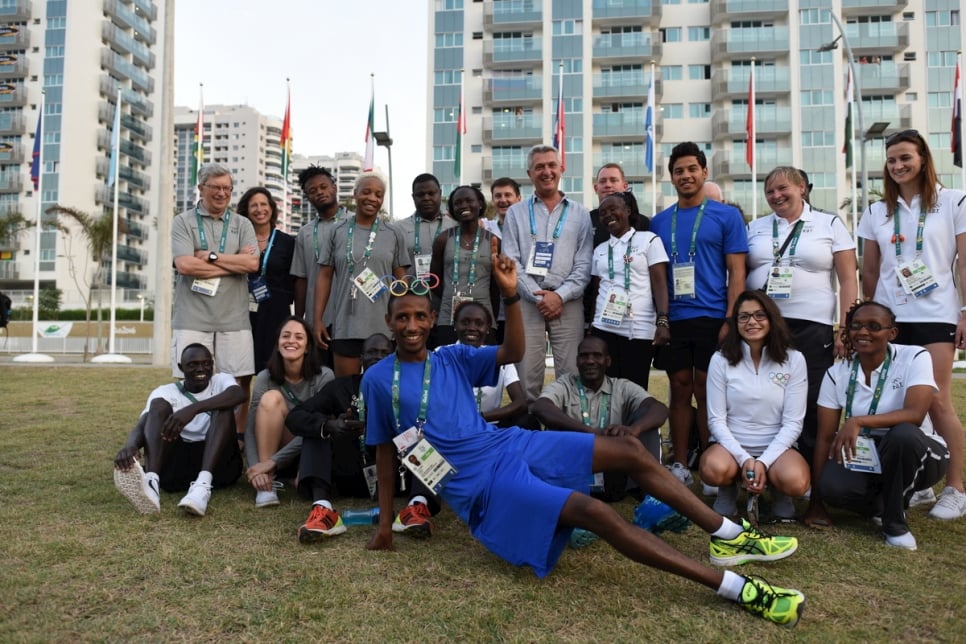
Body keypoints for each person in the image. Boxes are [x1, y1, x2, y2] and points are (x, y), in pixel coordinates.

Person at [363, 236, 805, 627]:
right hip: (482, 483)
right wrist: (386, 525)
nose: (413, 326)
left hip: (508, 444)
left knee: (628, 451)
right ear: (388, 319)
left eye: (420, 316)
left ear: (429, 317)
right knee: (598, 514)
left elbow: (514, 350)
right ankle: (736, 587)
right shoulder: (378, 379)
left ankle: (727, 535)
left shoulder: (452, 357)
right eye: (402, 318)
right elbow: (387, 453)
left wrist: (512, 295)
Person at [857, 129, 966, 520]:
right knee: (901, 403)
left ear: (923, 158)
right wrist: (866, 317)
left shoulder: (953, 201)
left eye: (905, 158)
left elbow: (964, 263)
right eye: (891, 160)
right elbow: (869, 269)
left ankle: (955, 487)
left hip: (937, 313)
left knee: (935, 400)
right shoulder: (875, 211)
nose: (898, 166)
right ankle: (921, 482)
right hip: (891, 318)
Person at [803, 302, 949, 550]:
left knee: (902, 435)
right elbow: (825, 438)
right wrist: (816, 502)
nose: (863, 332)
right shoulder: (836, 373)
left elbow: (914, 414)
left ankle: (895, 525)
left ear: (892, 333)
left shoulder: (915, 356)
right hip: (868, 452)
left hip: (920, 448)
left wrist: (859, 420)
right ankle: (888, 499)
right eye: (856, 326)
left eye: (874, 326)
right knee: (832, 487)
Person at [650, 142, 748, 489]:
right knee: (679, 388)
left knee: (708, 389)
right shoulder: (660, 222)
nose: (686, 175)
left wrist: (730, 320)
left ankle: (710, 458)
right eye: (679, 170)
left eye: (692, 168)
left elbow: (737, 272)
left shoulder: (726, 216)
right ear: (671, 178)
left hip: (712, 317)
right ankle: (678, 461)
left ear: (704, 172)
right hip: (675, 318)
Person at [746, 167, 857, 467]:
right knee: (766, 394)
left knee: (810, 396)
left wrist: (845, 330)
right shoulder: (755, 227)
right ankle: (764, 463)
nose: (776, 196)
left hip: (812, 324)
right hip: (762, 325)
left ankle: (808, 465)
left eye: (783, 188)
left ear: (802, 188)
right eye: (769, 191)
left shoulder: (829, 223)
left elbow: (848, 279)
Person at [286, 333, 442, 541]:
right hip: (351, 470)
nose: (377, 357)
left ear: (395, 358)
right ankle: (323, 510)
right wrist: (331, 425)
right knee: (318, 430)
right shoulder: (341, 388)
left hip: (398, 475)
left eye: (384, 353)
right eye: (371, 352)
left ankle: (417, 508)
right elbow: (295, 417)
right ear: (360, 359)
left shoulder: (409, 389)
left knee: (427, 433)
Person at [701, 291, 810, 519]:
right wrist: (745, 459)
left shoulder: (794, 359)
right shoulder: (720, 360)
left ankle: (779, 491)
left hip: (778, 448)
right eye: (744, 317)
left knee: (797, 482)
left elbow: (793, 423)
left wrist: (763, 461)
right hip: (730, 448)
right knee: (713, 469)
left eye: (760, 315)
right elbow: (716, 420)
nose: (752, 322)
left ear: (772, 318)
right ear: (735, 323)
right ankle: (728, 489)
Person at [501, 144, 593, 402]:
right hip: (528, 303)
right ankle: (530, 435)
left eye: (552, 165)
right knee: (527, 374)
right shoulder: (516, 213)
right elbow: (511, 261)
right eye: (539, 166)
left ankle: (565, 435)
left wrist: (560, 296)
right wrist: (539, 297)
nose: (546, 171)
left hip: (568, 302)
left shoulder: (580, 213)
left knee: (571, 375)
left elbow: (584, 264)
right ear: (529, 173)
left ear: (561, 169)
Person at [171, 163, 259, 433]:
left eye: (227, 188)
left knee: (238, 382)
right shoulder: (183, 221)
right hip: (192, 317)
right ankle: (193, 437)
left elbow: (252, 265)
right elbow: (185, 265)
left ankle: (231, 438)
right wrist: (234, 264)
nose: (221, 193)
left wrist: (210, 256)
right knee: (191, 380)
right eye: (215, 187)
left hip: (234, 318)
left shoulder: (242, 223)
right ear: (201, 188)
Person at [113, 344, 244, 517]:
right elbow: (145, 422)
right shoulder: (166, 392)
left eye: (206, 363)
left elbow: (238, 395)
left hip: (220, 468)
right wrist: (131, 445)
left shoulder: (221, 381)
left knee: (224, 408)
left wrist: (192, 409)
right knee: (157, 406)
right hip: (176, 472)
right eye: (193, 364)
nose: (201, 369)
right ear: (181, 368)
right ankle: (152, 481)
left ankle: (202, 486)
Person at [532, 336, 668, 500]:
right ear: (577, 361)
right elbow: (540, 407)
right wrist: (588, 432)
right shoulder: (565, 384)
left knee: (647, 418)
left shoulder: (621, 386)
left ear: (608, 361)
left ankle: (648, 492)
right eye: (584, 355)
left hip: (612, 468)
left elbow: (659, 409)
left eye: (597, 355)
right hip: (573, 466)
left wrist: (634, 429)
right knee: (541, 421)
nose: (590, 361)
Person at [313, 173, 409, 377]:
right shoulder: (336, 231)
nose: (372, 198)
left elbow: (402, 280)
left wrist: (402, 320)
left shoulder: (393, 233)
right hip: (346, 326)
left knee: (381, 390)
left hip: (383, 328)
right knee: (348, 391)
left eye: (378, 194)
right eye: (366, 192)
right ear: (355, 194)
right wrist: (318, 319)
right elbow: (325, 276)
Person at [243, 317, 334, 507]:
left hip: (310, 448)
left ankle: (286, 469)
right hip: (274, 448)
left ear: (308, 347)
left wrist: (273, 461)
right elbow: (251, 427)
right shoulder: (264, 377)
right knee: (271, 398)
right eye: (286, 336)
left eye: (299, 337)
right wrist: (257, 469)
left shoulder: (324, 376)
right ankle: (266, 485)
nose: (291, 341)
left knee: (314, 424)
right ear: (277, 344)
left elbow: (320, 428)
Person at [588, 192, 670, 390]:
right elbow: (597, 290)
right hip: (604, 327)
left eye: (613, 209)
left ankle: (636, 423)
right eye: (602, 212)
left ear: (627, 210)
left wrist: (663, 320)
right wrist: (591, 326)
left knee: (635, 388)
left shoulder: (648, 240)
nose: (608, 215)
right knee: (606, 388)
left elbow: (659, 283)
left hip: (639, 327)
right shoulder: (600, 249)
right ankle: (609, 423)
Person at [429, 185, 501, 346]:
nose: (463, 205)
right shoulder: (443, 239)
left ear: (480, 204)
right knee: (449, 366)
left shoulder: (494, 241)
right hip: (449, 317)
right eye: (458, 202)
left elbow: (496, 288)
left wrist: (491, 317)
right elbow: (434, 281)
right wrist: (452, 295)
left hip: (484, 317)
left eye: (469, 200)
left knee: (482, 368)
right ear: (453, 208)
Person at [291, 165, 346, 365]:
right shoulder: (305, 233)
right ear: (308, 198)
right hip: (318, 319)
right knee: (320, 374)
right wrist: (298, 319)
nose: (319, 193)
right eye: (312, 191)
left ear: (334, 187)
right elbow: (301, 279)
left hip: (349, 315)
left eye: (323, 187)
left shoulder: (355, 224)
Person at [238, 187, 296, 373]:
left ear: (271, 208)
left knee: (276, 369)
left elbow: (293, 281)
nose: (259, 209)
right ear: (246, 211)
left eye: (263, 204)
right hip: (243, 312)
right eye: (253, 205)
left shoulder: (287, 242)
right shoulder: (238, 240)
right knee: (242, 371)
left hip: (276, 313)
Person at [396, 173, 457, 349]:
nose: (426, 198)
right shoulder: (398, 229)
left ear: (440, 193)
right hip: (413, 313)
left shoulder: (456, 227)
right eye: (420, 194)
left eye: (432, 193)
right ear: (413, 197)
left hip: (447, 311)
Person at [450, 300, 531, 428]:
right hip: (452, 425)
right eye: (465, 322)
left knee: (527, 420)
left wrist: (481, 418)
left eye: (479, 323)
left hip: (489, 423)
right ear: (455, 325)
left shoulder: (501, 357)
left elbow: (520, 403)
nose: (471, 328)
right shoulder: (441, 354)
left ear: (488, 328)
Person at [487, 177, 523, 343]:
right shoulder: (486, 228)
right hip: (494, 310)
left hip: (523, 306)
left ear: (518, 198)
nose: (503, 200)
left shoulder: (528, 229)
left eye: (508, 195)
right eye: (498, 196)